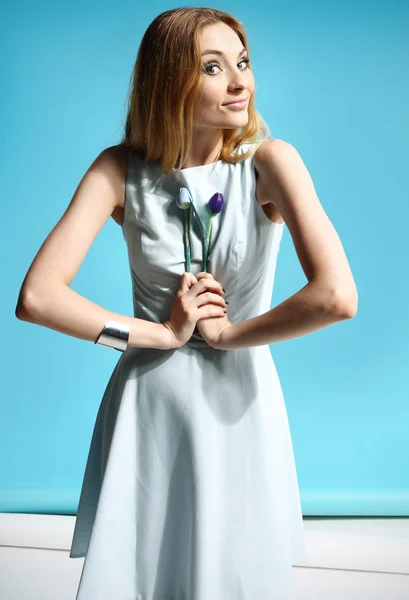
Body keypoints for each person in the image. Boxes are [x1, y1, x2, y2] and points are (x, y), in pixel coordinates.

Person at [15, 6, 358, 600]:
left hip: (238, 406)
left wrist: (230, 335)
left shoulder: (270, 163)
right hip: (149, 405)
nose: (239, 81)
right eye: (213, 67)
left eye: (243, 63)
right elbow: (37, 297)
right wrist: (160, 335)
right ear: (169, 81)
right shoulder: (119, 169)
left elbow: (336, 296)